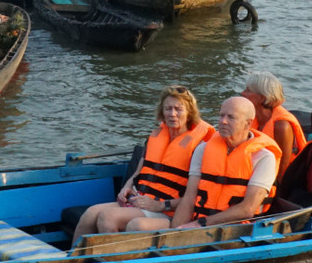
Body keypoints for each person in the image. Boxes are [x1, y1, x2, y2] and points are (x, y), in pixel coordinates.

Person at [71, 86, 214, 243]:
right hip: (140, 201)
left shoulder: (201, 146)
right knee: (89, 214)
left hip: (168, 211)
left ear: (189, 113)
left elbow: (199, 196)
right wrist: (126, 187)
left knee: (108, 217)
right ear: (162, 112)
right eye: (168, 109)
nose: (172, 114)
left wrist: (160, 205)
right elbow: (138, 173)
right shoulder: (156, 137)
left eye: (178, 109)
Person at [162, 97, 280, 231]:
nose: (223, 121)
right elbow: (189, 198)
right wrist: (175, 232)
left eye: (231, 117)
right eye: (221, 115)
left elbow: (248, 209)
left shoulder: (264, 157)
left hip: (236, 229)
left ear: (248, 123)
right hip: (199, 222)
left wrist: (201, 224)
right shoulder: (203, 149)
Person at [240, 71, 307, 179]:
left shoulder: (282, 126)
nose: (242, 93)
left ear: (262, 98)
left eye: (248, 91)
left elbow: (283, 167)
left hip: (280, 180)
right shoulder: (250, 117)